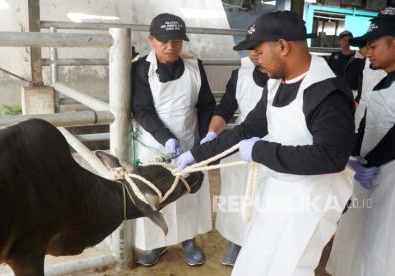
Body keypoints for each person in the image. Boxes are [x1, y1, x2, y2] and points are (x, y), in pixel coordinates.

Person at [177, 11, 355, 275]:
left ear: (283, 46)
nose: (254, 59)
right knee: (256, 261)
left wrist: (261, 150)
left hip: (312, 199)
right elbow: (249, 128)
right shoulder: (276, 84)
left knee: (289, 267)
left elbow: (331, 157)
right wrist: (198, 155)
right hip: (279, 188)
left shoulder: (326, 92)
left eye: (258, 51)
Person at [326, 5, 395, 276]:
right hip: (371, 178)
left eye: (373, 46)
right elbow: (365, 127)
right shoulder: (381, 83)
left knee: (391, 245)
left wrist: (367, 161)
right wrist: (348, 157)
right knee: (363, 237)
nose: (367, 52)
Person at [131, 13, 215, 266]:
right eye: (164, 41)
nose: (171, 47)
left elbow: (207, 105)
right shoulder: (139, 68)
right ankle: (156, 244)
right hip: (153, 143)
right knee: (154, 192)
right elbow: (142, 110)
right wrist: (167, 139)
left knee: (188, 191)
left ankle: (188, 240)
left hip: (189, 138)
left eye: (177, 41)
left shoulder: (195, 66)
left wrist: (204, 140)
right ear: (151, 40)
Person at [200, 40, 268, 266]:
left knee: (269, 198)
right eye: (251, 50)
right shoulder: (240, 75)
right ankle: (238, 241)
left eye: (260, 50)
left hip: (274, 141)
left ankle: (262, 245)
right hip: (241, 139)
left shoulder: (283, 73)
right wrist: (212, 133)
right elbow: (225, 109)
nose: (256, 55)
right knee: (239, 195)